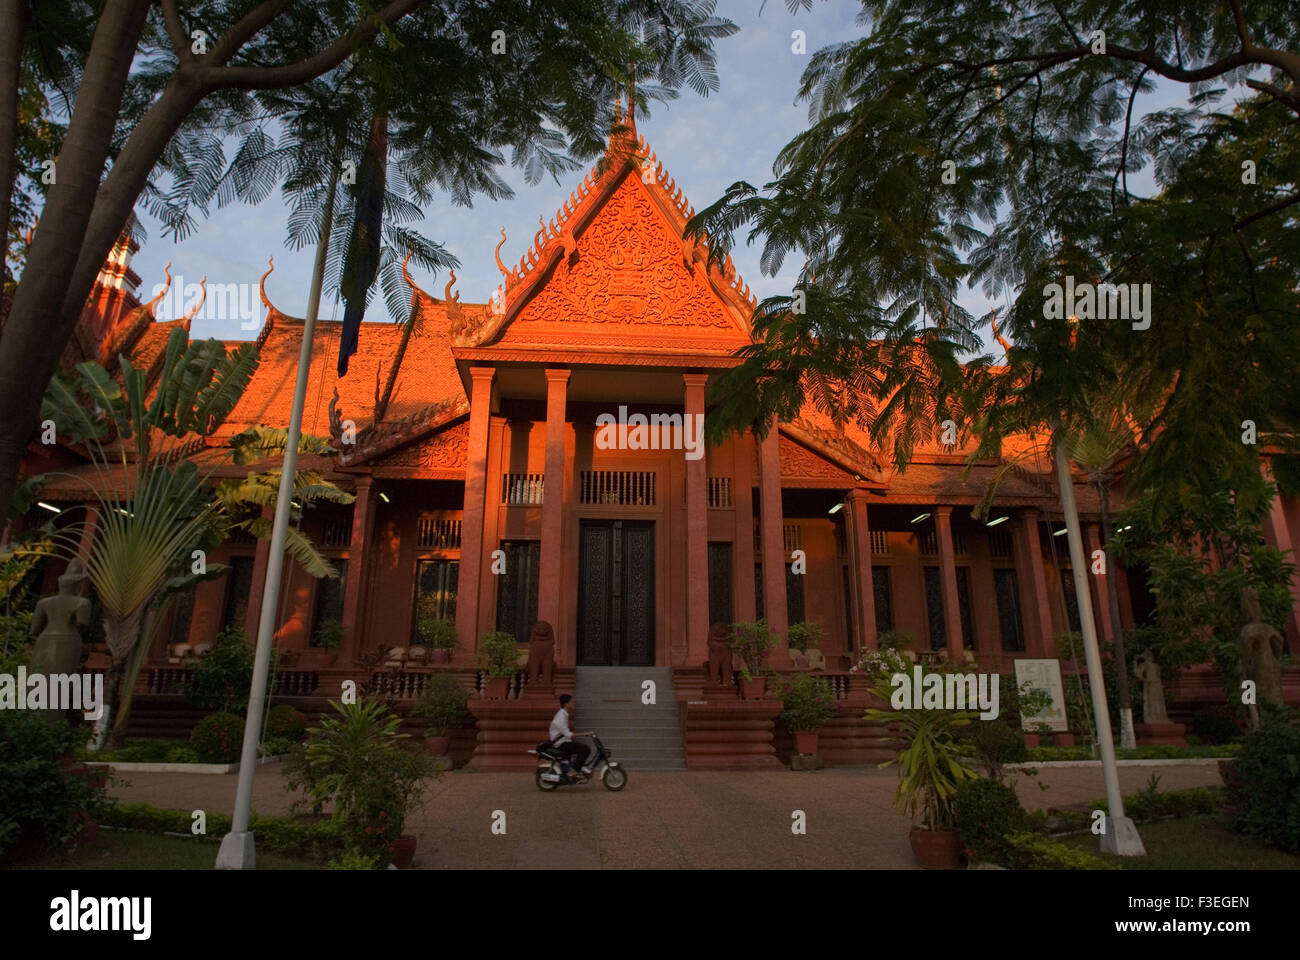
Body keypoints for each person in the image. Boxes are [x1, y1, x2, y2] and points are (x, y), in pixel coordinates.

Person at [550, 694, 592, 778]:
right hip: (560, 744)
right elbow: (568, 734)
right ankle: (574, 771)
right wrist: (585, 734)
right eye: (571, 702)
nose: (573, 704)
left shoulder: (564, 715)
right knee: (585, 749)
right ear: (566, 704)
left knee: (579, 748)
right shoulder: (560, 717)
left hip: (564, 742)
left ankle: (577, 768)